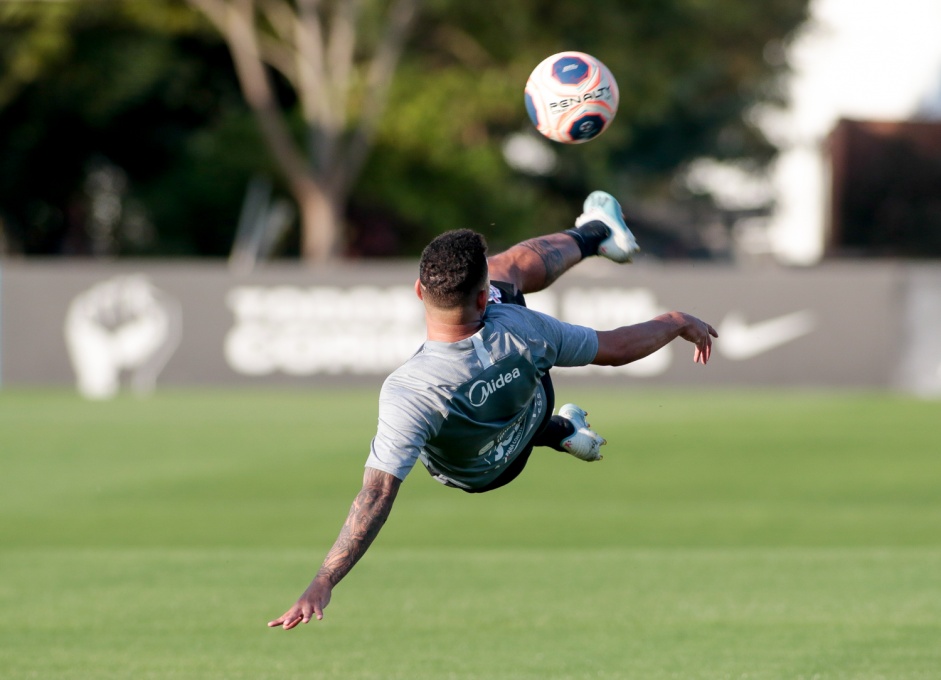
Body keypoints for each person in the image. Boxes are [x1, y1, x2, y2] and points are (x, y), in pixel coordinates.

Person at [268, 190, 718, 630]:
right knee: (506, 272)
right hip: (528, 414)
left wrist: (324, 580)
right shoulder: (523, 328)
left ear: (418, 290)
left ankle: (562, 431)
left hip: (479, 473)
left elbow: (376, 496)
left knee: (477, 384)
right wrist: (676, 321)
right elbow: (618, 347)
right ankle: (595, 235)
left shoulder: (409, 391)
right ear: (482, 300)